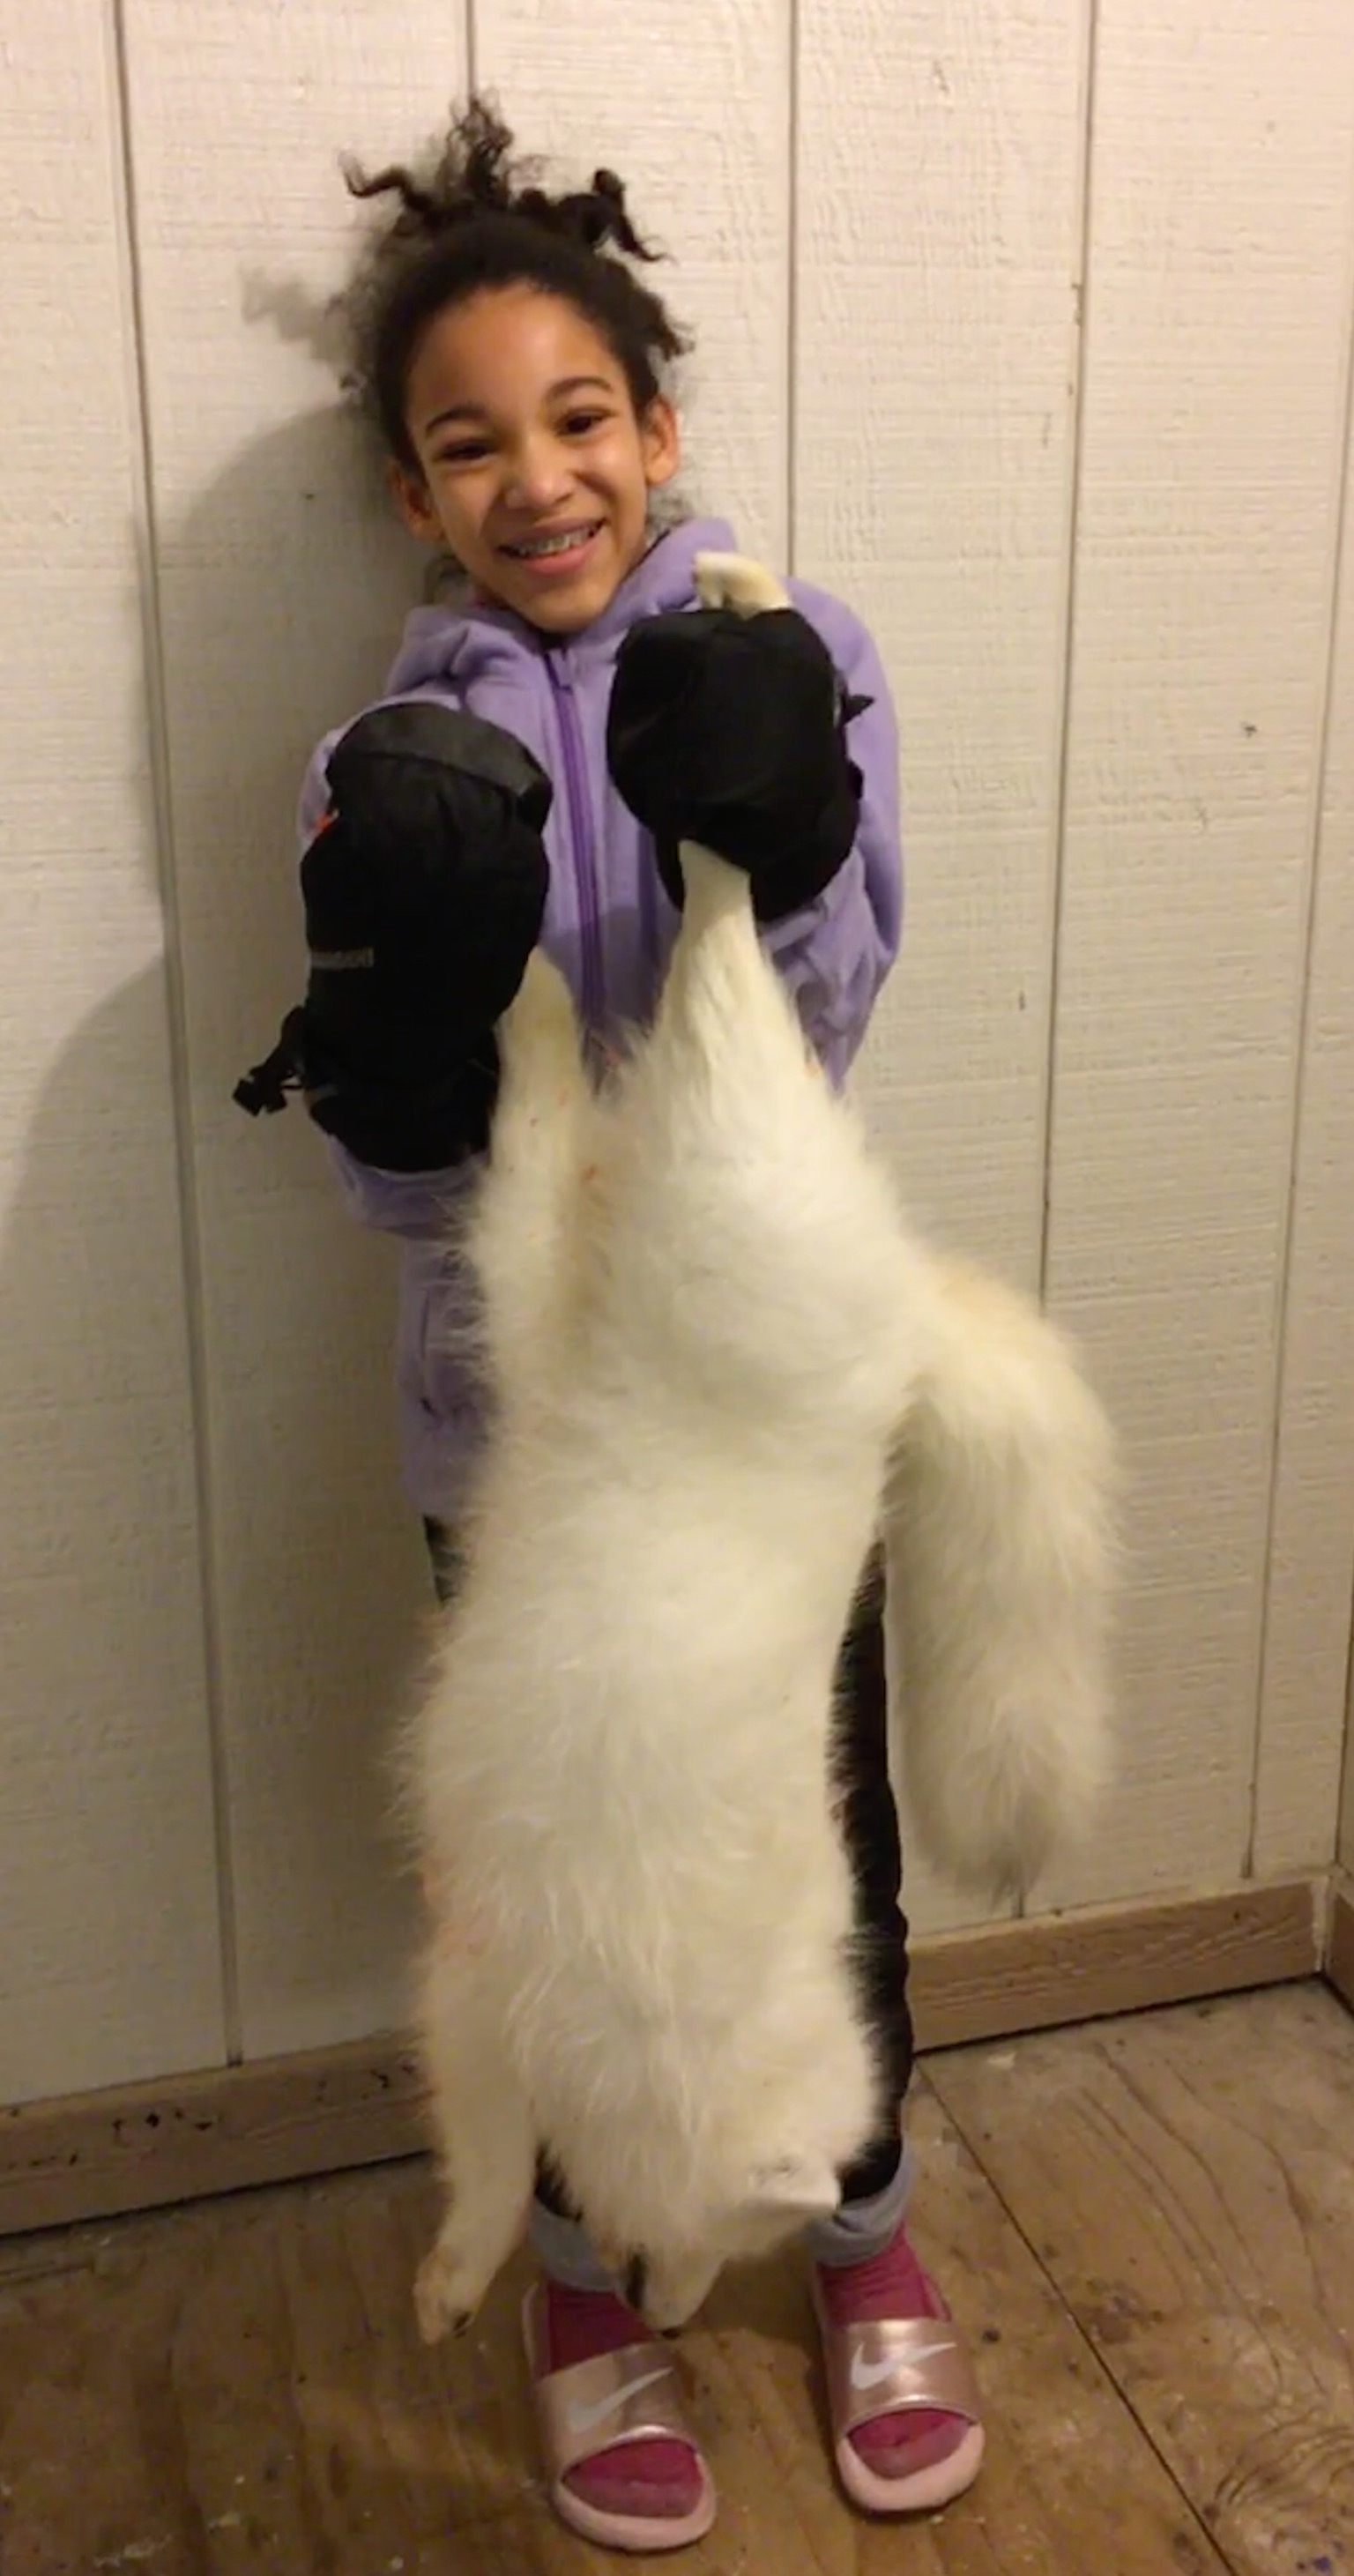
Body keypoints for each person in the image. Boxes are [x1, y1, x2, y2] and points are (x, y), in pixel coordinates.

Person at [235, 96, 983, 2551]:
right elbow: (389, 1181)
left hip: (764, 1417)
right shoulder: (380, 766)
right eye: (471, 445)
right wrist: (409, 1034)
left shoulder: (790, 647)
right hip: (523, 1448)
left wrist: (775, 831)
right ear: (413, 496)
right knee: (555, 1888)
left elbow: (833, 1015)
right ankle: (583, 2290)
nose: (537, 477)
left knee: (814, 1830)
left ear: (658, 431)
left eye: (579, 419)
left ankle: (864, 2228)